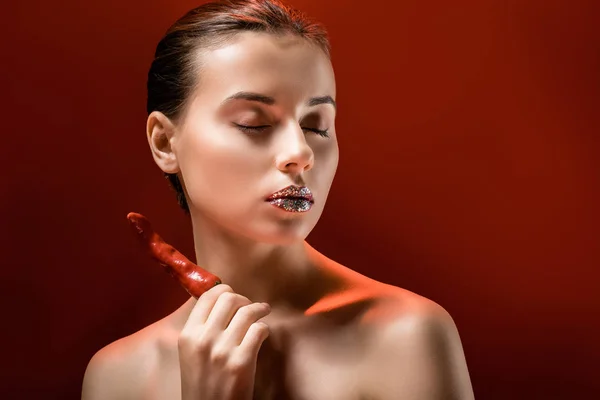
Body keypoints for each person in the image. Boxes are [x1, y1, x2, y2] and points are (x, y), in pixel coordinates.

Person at [81, 0, 475, 399]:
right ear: (165, 142)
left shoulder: (406, 338)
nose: (300, 152)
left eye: (316, 126)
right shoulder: (119, 376)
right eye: (255, 123)